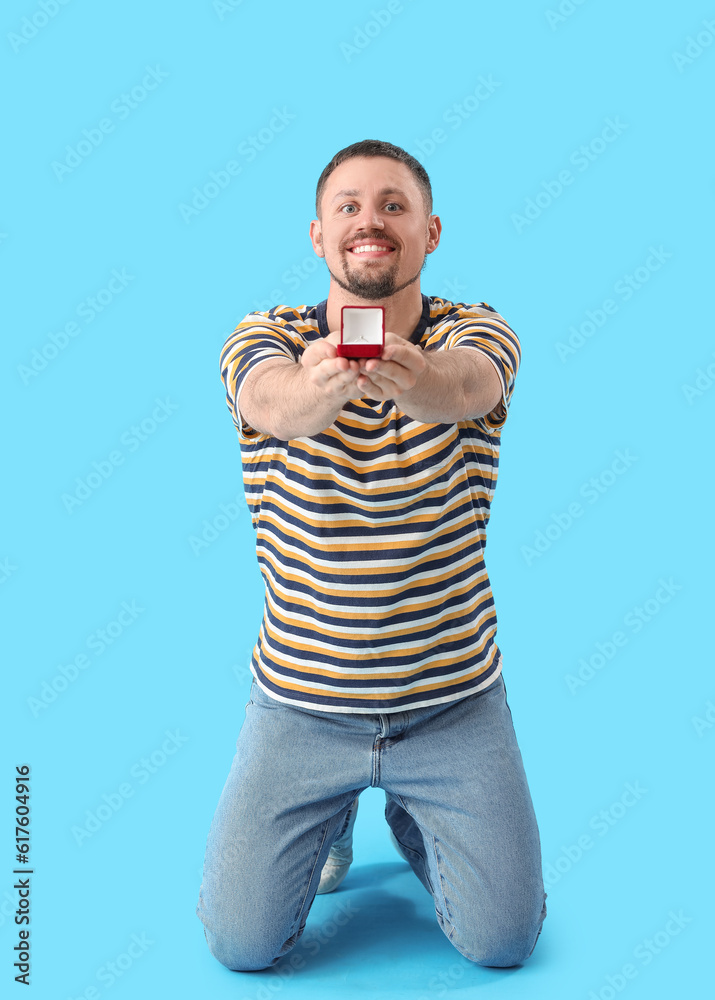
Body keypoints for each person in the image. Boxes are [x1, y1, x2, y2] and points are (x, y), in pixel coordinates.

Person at [196, 139, 547, 972]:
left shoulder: (478, 332)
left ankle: (413, 814)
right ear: (318, 235)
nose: (370, 221)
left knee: (502, 944)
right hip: (301, 705)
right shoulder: (265, 337)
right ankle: (331, 812)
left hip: (452, 701)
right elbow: (271, 404)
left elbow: (466, 388)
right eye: (348, 206)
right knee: (240, 947)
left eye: (393, 205)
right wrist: (321, 385)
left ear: (430, 232)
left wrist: (409, 374)